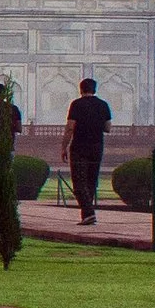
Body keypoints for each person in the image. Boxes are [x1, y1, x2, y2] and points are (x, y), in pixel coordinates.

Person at [64, 76, 113, 224]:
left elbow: (70, 127)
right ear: (94, 90)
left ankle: (89, 213)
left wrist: (64, 146)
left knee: (79, 183)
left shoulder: (77, 104)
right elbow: (108, 128)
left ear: (81, 90)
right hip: (97, 147)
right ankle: (87, 215)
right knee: (91, 181)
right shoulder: (103, 105)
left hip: (79, 147)